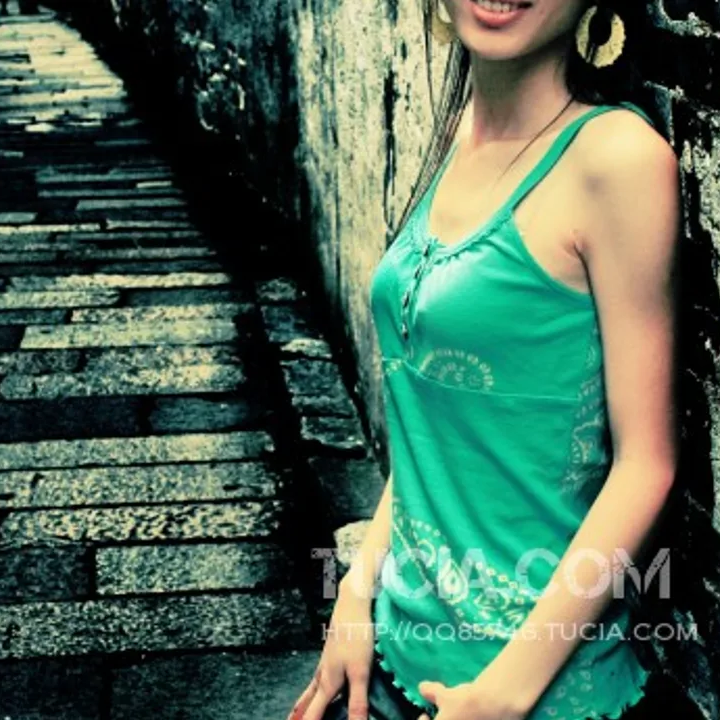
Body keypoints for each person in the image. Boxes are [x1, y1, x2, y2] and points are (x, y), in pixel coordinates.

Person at [289, 1, 681, 719]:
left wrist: (503, 694)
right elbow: (435, 435)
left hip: (532, 690)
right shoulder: (460, 133)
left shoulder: (616, 158)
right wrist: (354, 593)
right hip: (392, 659)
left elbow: (646, 465)